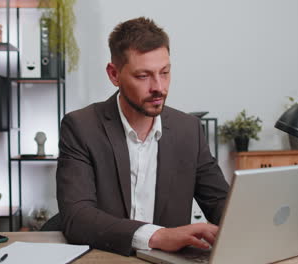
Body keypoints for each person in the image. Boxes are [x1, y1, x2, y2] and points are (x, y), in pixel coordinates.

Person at [56, 17, 229, 256]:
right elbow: (77, 217)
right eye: (143, 76)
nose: (159, 87)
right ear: (114, 74)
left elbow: (221, 203)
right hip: (107, 258)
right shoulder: (80, 127)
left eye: (165, 72)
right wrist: (158, 235)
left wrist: (245, 224)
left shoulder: (188, 130)